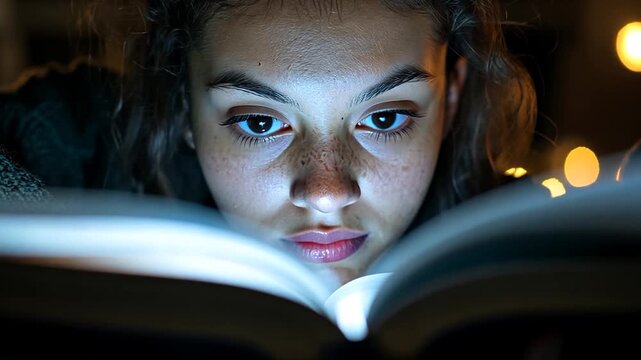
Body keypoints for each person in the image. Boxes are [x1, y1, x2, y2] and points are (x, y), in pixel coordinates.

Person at [0, 0, 535, 284]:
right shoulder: (80, 142)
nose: (326, 192)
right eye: (259, 123)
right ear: (181, 104)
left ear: (453, 98)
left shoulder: (531, 251)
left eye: (387, 117)